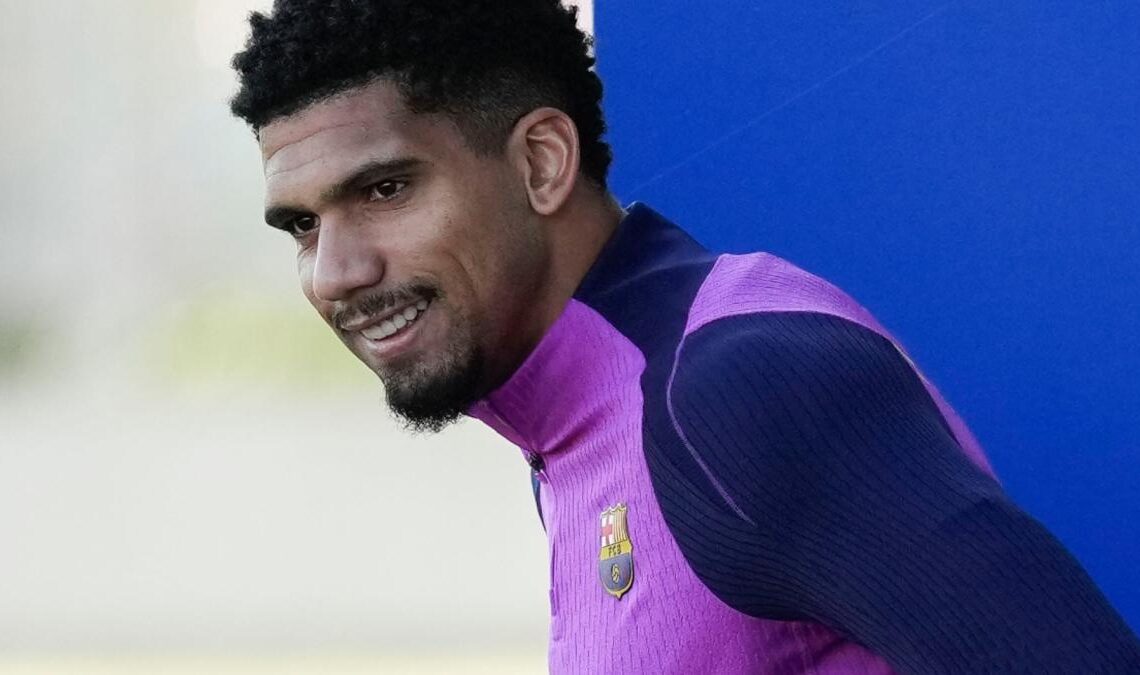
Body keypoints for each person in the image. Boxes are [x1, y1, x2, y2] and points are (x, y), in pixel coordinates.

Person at [229, 1, 1140, 672]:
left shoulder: (735, 388)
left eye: (384, 190)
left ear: (541, 163)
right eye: (302, 226)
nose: (334, 272)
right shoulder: (571, 419)